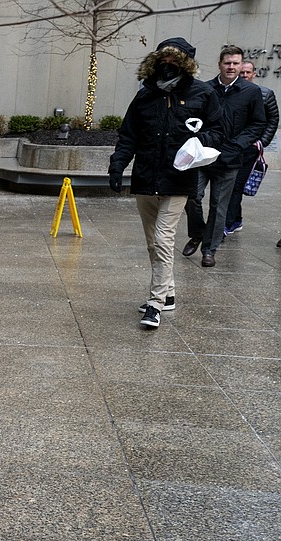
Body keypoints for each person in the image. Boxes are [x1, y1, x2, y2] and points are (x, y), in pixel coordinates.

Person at [109, 37, 223, 328]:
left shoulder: (202, 93)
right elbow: (129, 135)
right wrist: (117, 165)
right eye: (163, 60)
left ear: (185, 63)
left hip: (178, 179)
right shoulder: (145, 94)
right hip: (146, 178)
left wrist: (199, 139)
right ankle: (169, 293)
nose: (168, 65)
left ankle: (155, 304)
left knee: (163, 240)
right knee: (152, 243)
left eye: (174, 60)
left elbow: (218, 131)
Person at [181, 46, 266, 267]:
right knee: (192, 196)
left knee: (219, 205)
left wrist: (237, 145)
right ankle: (197, 233)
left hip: (231, 158)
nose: (231, 67)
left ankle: (209, 249)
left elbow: (257, 123)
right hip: (203, 155)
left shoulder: (251, 92)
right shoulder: (204, 89)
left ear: (241, 65)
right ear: (220, 64)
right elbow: (193, 118)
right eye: (227, 63)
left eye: (236, 63)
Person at [224, 61, 278, 235]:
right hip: (232, 147)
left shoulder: (265, 94)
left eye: (248, 72)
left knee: (236, 185)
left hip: (251, 149)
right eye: (243, 73)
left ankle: (229, 222)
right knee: (232, 186)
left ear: (254, 74)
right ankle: (235, 219)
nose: (245, 75)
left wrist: (262, 142)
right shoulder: (231, 93)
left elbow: (273, 120)